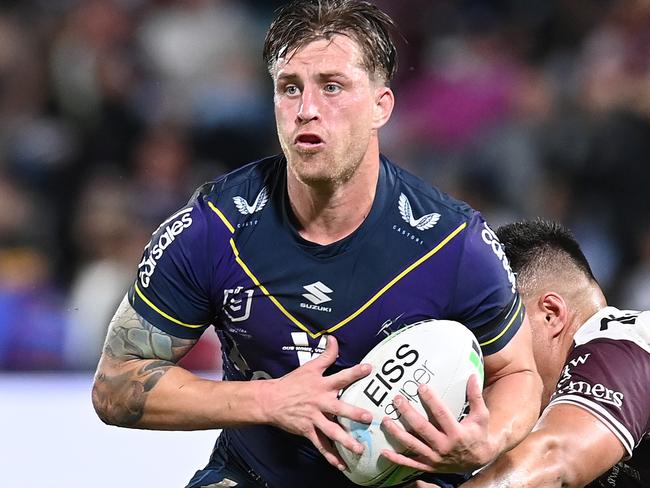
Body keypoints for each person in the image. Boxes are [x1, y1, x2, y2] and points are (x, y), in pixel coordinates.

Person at [91, 1, 542, 487]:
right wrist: (269, 401)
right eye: (290, 88)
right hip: (254, 477)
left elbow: (518, 375)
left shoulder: (452, 243)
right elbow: (116, 383)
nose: (307, 109)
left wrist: (487, 439)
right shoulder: (213, 227)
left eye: (332, 86)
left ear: (380, 105)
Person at [398, 219, 649, 488]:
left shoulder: (631, 338)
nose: (492, 358)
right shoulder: (530, 427)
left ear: (551, 314)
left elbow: (554, 457)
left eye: (502, 332)